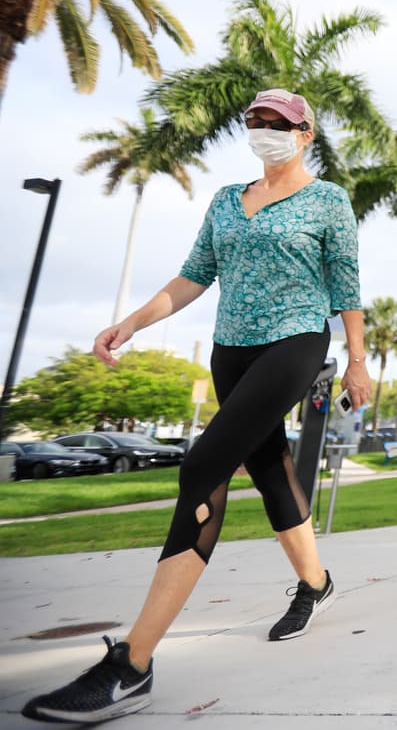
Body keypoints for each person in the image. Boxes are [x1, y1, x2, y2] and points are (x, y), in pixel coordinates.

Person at [22, 89, 373, 724]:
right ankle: (316, 585)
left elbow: (346, 285)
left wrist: (357, 358)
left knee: (201, 468)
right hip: (230, 351)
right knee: (269, 471)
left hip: (295, 340)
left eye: (279, 124)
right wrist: (130, 322)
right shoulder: (225, 201)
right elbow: (193, 275)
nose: (265, 131)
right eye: (256, 122)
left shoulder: (328, 200)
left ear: (305, 134)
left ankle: (131, 664)